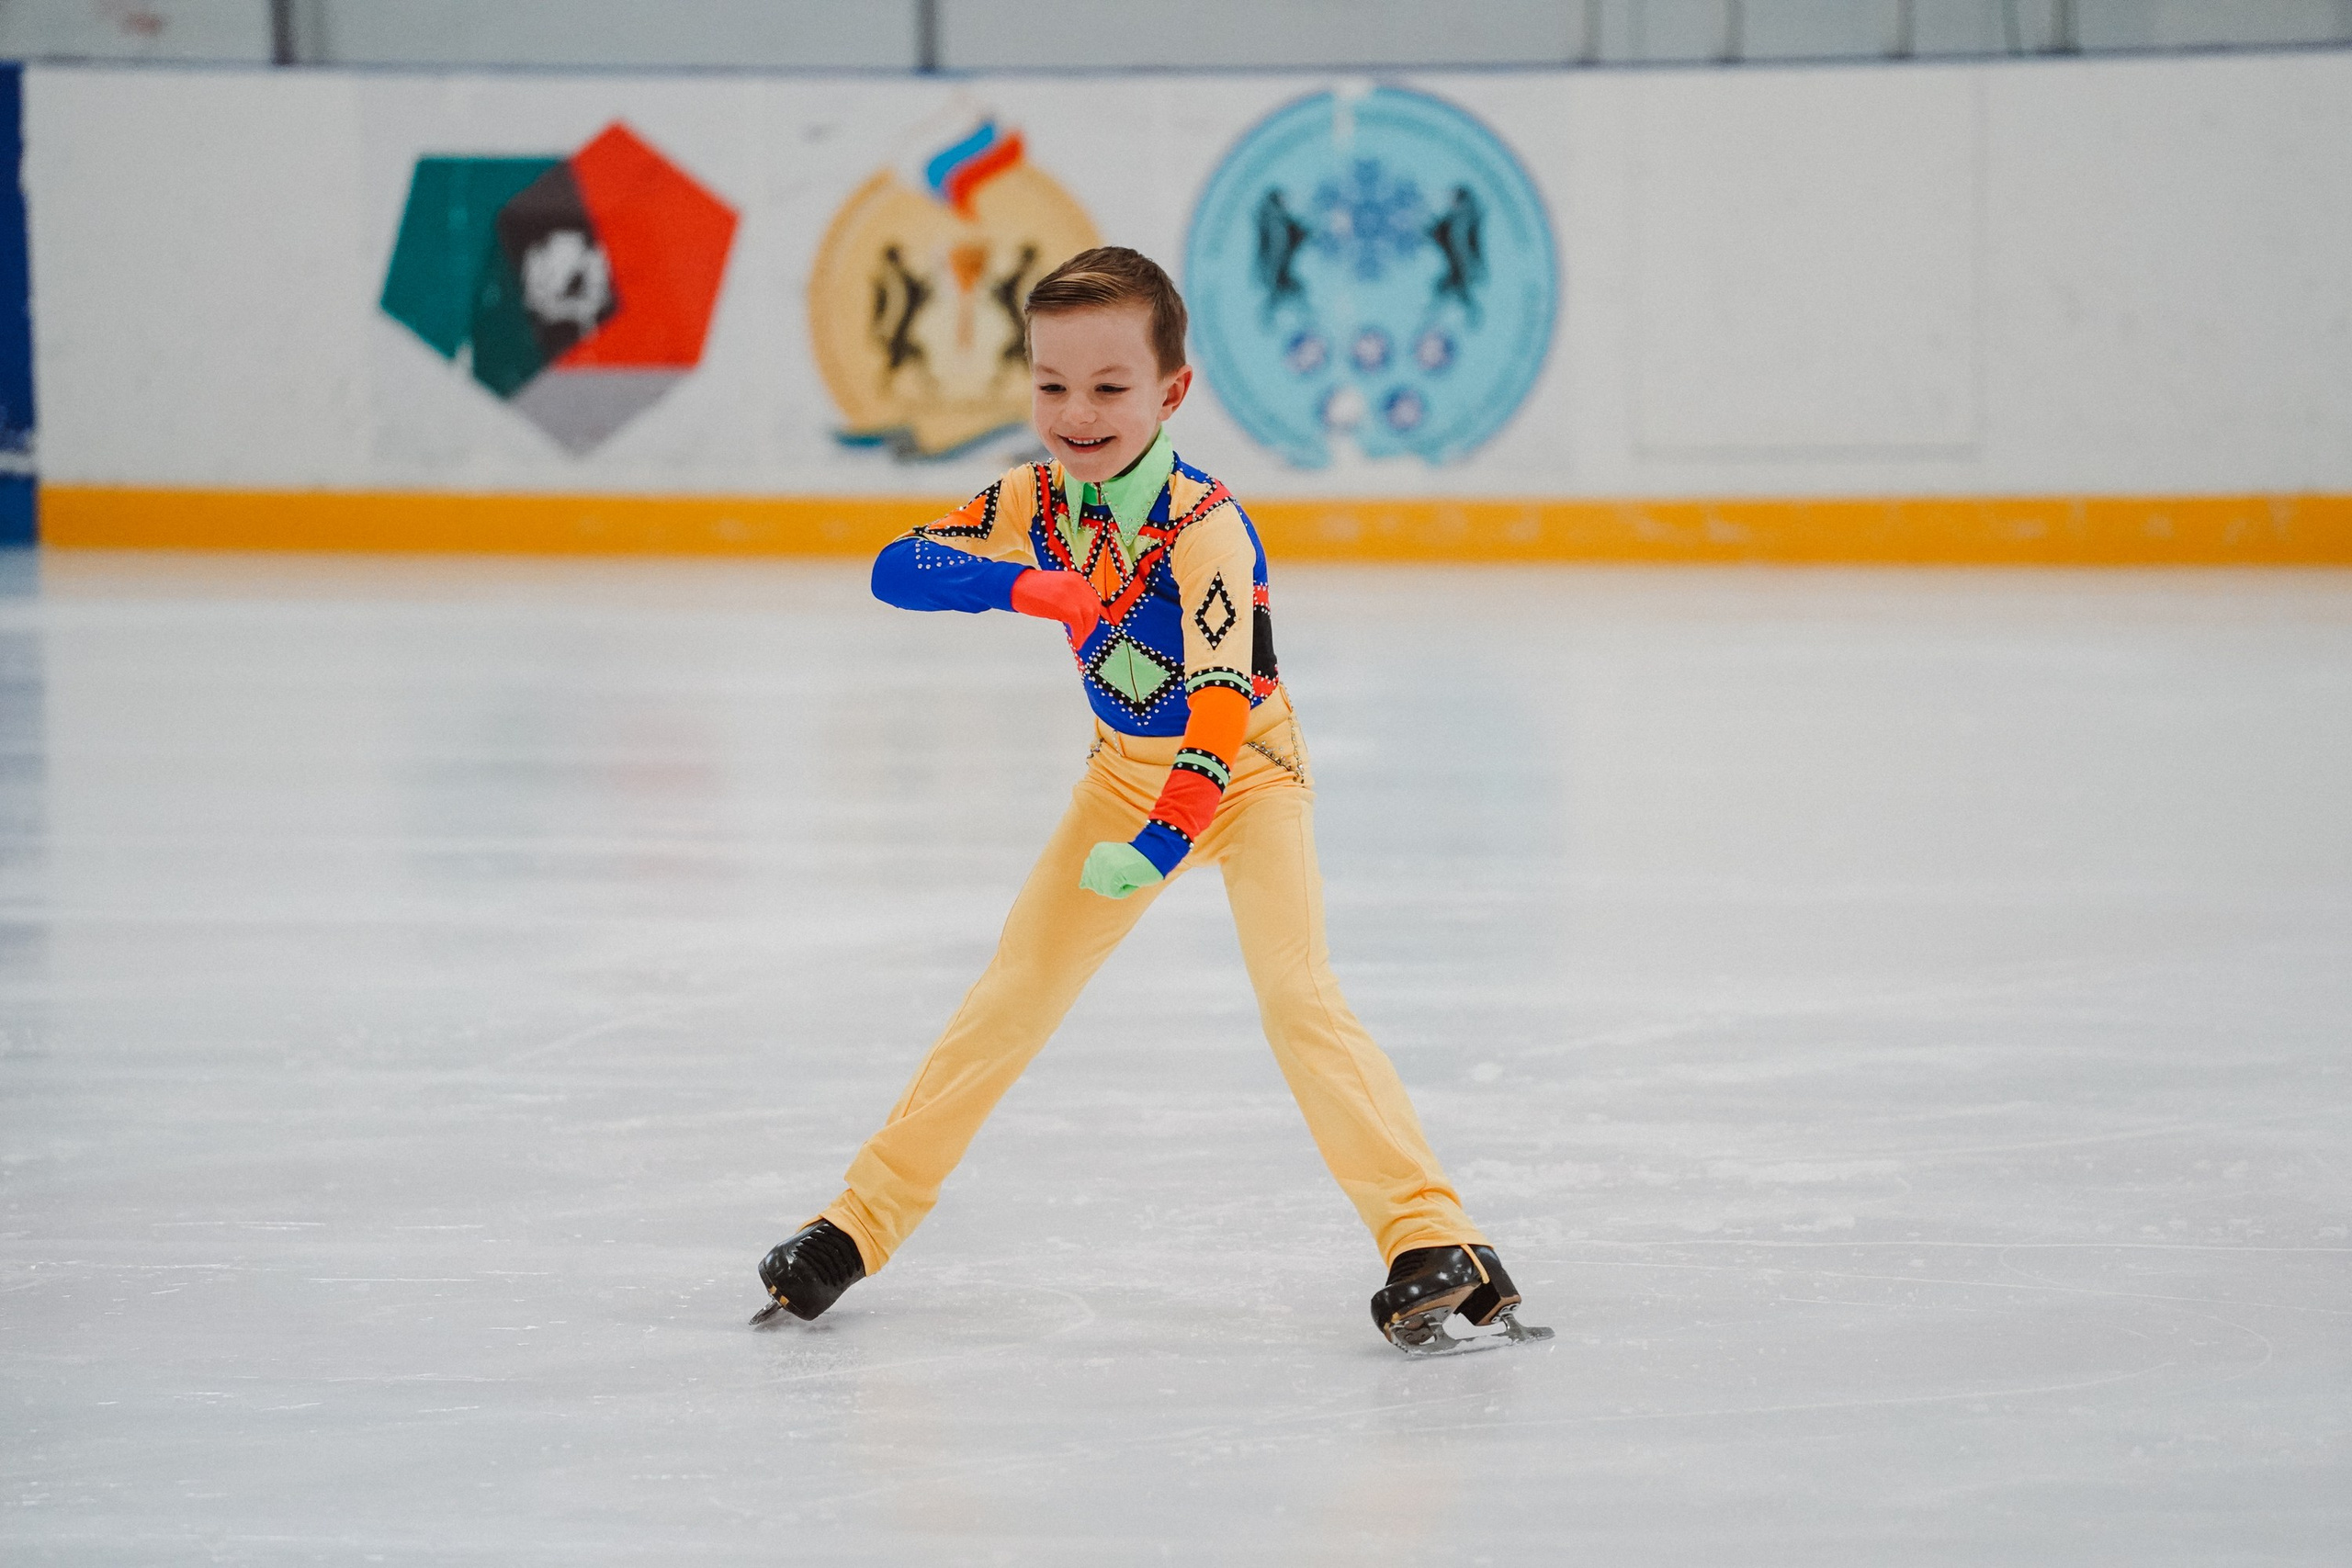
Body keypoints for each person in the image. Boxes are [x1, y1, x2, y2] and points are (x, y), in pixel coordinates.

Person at [752, 246, 1548, 1355]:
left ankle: (1433, 1238)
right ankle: (855, 1223)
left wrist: (1169, 832)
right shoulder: (1032, 500)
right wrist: (1028, 584)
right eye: (1051, 385)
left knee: (1296, 998)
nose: (1075, 414)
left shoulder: (1208, 528)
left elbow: (1220, 706)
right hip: (1120, 777)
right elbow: (899, 566)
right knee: (1010, 998)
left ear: (1171, 392)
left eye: (1109, 388)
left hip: (1245, 777)